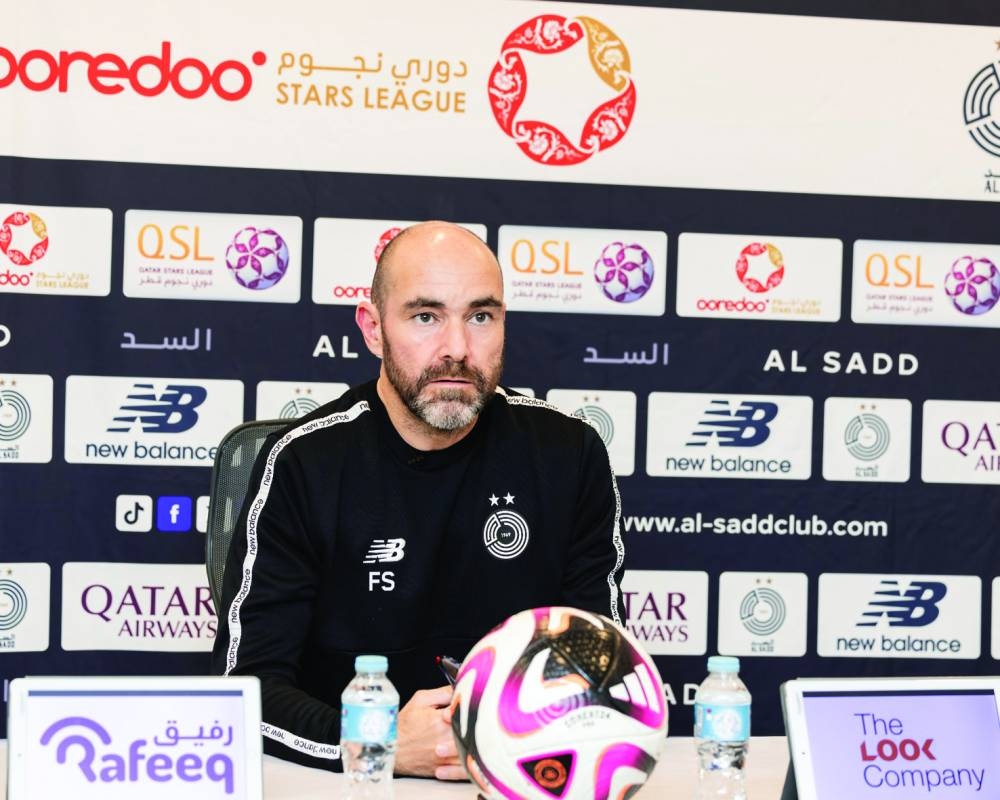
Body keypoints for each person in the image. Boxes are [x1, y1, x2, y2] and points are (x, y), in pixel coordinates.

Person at [211, 221, 624, 779]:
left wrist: (503, 738)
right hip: (346, 786)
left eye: (480, 317)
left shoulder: (568, 454)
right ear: (373, 329)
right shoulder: (303, 463)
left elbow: (598, 665)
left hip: (514, 779)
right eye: (425, 317)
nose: (456, 349)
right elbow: (246, 688)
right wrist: (374, 743)